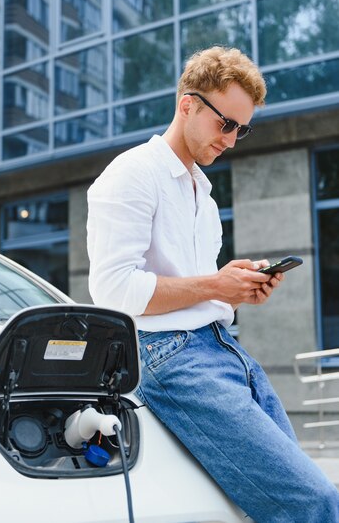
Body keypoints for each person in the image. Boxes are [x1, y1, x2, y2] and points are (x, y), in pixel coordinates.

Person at [86, 46, 339, 522]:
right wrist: (215, 287)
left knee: (301, 499)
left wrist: (239, 289)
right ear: (188, 105)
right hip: (171, 357)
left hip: (222, 349)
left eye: (242, 129)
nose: (233, 140)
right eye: (226, 124)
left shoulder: (201, 190)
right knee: (314, 503)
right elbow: (114, 289)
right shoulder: (132, 174)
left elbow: (197, 287)